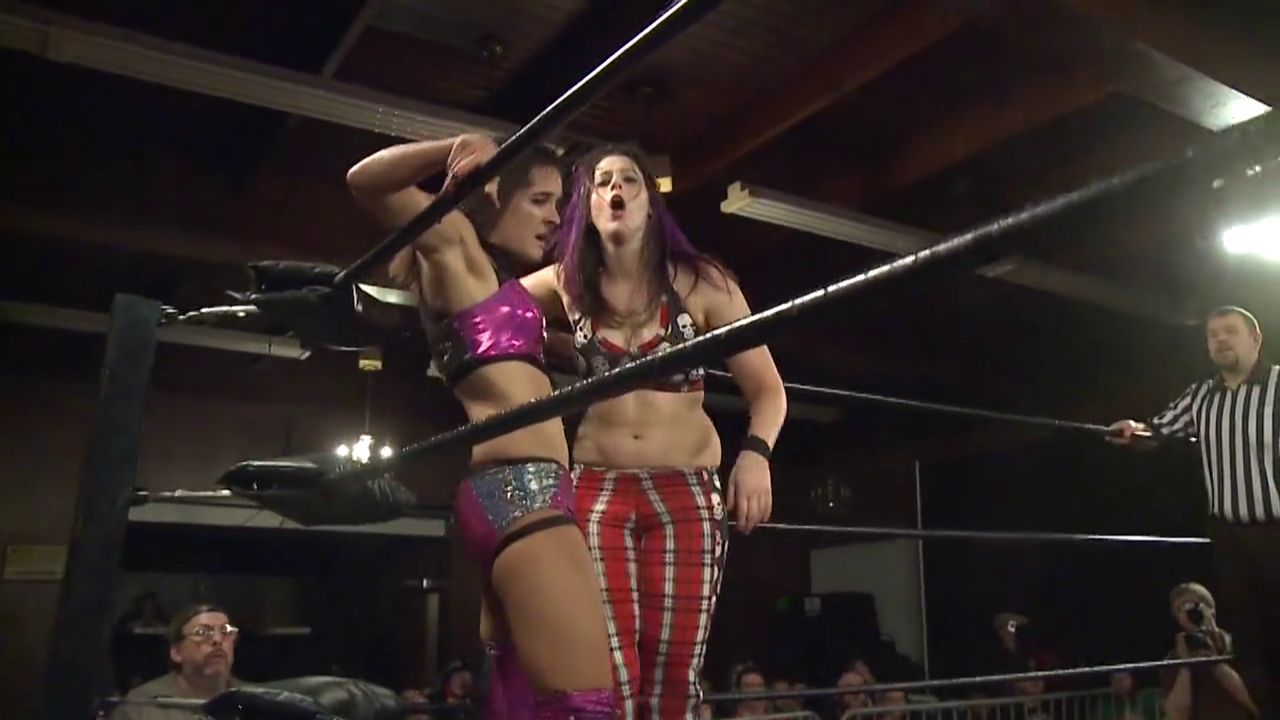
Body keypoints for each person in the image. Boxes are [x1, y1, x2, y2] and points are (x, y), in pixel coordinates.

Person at [346, 134, 615, 719]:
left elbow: (509, 344)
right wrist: (459, 147)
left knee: (516, 698)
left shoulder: (493, 281)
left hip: (508, 491)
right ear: (493, 191)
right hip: (524, 491)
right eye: (539, 200)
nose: (553, 218)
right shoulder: (456, 245)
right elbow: (365, 180)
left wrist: (567, 349)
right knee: (587, 706)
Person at [532, 145, 787, 720]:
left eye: (629, 180)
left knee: (674, 675)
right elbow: (489, 312)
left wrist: (755, 455)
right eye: (602, 181)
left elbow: (768, 390)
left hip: (685, 488)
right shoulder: (568, 283)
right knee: (607, 668)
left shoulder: (703, 283)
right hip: (597, 488)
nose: (615, 189)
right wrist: (547, 343)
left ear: (650, 201)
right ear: (587, 205)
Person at [1109, 306, 1279, 717]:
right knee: (1248, 642)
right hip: (1230, 536)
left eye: (1230, 331)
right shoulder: (1201, 395)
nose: (1220, 339)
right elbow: (1159, 430)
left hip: (1277, 528)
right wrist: (1133, 429)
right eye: (1213, 335)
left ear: (1255, 338)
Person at [110, 604, 240, 720]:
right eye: (201, 632)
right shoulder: (142, 706)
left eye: (225, 631)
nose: (218, 640)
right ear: (177, 652)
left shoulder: (249, 699)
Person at [1159, 582, 1256, 719]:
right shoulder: (1174, 659)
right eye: (1180, 609)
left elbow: (1254, 703)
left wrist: (1215, 661)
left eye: (1193, 605)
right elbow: (1177, 715)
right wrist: (1185, 665)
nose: (1188, 613)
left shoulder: (1239, 646)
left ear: (1211, 611)